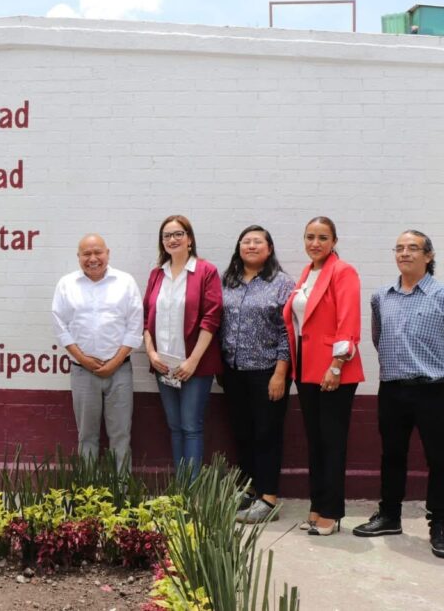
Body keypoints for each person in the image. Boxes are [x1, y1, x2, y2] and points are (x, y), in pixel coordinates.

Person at [352, 230, 444, 559]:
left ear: (429, 256)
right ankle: (390, 516)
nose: (404, 253)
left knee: (439, 459)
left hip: (432, 391)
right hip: (392, 389)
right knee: (392, 455)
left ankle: (440, 525)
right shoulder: (382, 297)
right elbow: (379, 337)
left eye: (413, 248)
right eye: (399, 248)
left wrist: (439, 367)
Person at [282, 216, 364, 536]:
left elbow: (348, 321)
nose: (315, 243)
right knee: (315, 442)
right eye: (310, 237)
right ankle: (317, 507)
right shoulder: (308, 272)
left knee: (332, 442)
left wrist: (336, 365)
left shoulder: (343, 271)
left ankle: (331, 512)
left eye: (322, 238)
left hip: (334, 369)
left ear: (334, 241)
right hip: (306, 368)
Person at [219, 225, 295, 523]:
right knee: (243, 433)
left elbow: (287, 332)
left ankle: (268, 498)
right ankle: (249, 492)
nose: (251, 246)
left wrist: (280, 372)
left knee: (267, 434)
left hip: (268, 372)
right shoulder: (228, 281)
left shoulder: (282, 283)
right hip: (234, 372)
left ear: (269, 248)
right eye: (246, 241)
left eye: (257, 242)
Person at [52, 234, 143, 469]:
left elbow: (135, 326)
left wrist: (115, 361)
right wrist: (83, 359)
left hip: (120, 371)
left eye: (98, 252)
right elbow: (60, 326)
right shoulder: (66, 284)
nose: (93, 258)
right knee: (87, 436)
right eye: (86, 254)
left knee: (120, 435)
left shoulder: (125, 282)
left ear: (107, 253)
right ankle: (88, 489)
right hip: (82, 372)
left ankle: (121, 488)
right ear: (78, 256)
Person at [143, 215, 223, 479]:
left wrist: (193, 361)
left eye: (178, 234)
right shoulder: (157, 274)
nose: (173, 239)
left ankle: (192, 490)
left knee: (190, 427)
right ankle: (180, 487)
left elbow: (211, 318)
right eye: (167, 235)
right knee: (175, 426)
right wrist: (151, 354)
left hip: (194, 366)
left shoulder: (205, 271)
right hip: (163, 364)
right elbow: (146, 318)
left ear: (189, 239)